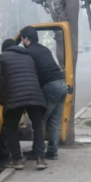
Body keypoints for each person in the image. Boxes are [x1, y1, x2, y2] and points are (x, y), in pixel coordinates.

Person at [0, 39, 48, 170]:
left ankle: (17, 160)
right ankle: (40, 159)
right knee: (37, 126)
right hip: (34, 94)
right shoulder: (29, 57)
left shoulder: (2, 58)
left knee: (11, 127)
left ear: (5, 49)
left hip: (15, 96)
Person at [20, 26, 68, 161]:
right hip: (61, 85)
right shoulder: (44, 49)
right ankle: (52, 152)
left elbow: (30, 73)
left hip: (51, 86)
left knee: (39, 120)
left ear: (26, 39)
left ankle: (37, 151)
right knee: (54, 122)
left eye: (23, 39)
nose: (23, 42)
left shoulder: (29, 52)